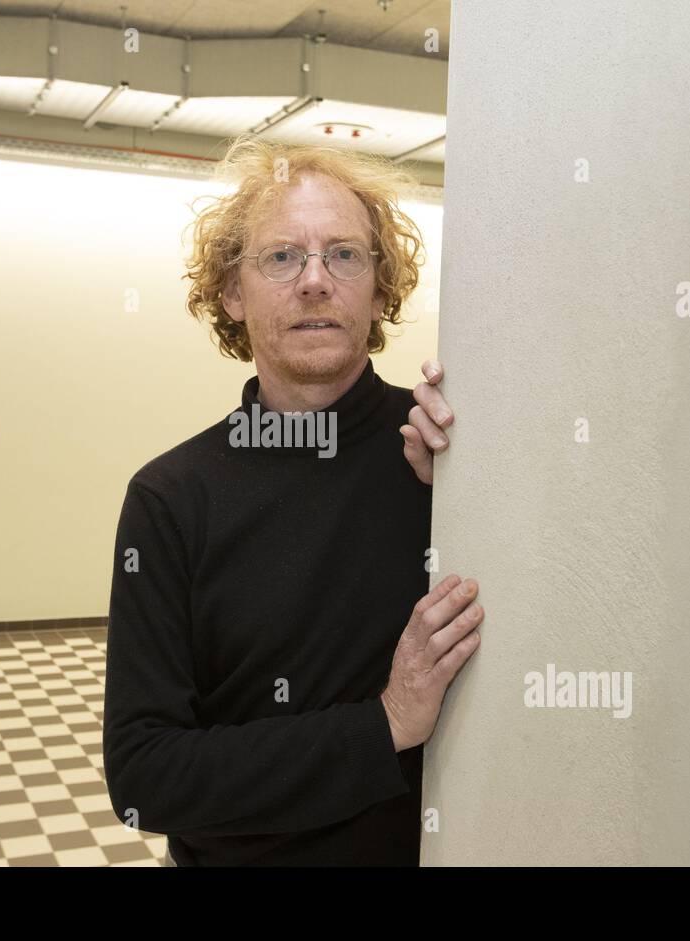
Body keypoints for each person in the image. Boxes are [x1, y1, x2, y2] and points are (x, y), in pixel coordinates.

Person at [103, 134, 483, 866]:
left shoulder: (445, 454)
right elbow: (145, 777)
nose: (315, 280)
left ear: (380, 287)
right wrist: (383, 725)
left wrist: (473, 503)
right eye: (282, 257)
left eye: (344, 255)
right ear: (232, 293)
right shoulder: (170, 498)